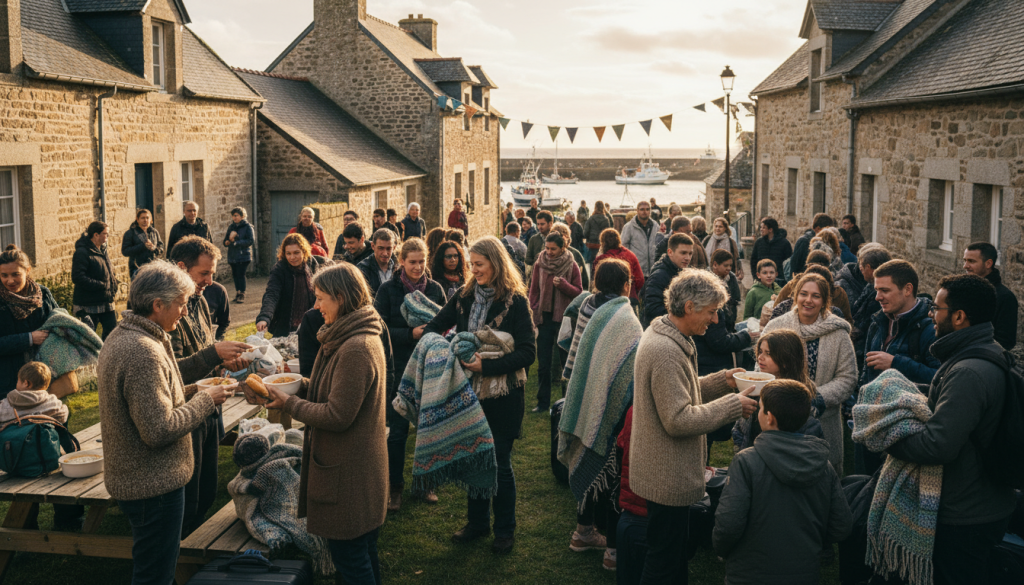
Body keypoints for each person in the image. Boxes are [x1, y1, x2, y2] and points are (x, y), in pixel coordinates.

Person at [97, 261, 233, 585]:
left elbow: (153, 401)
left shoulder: (129, 334)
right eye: (181, 304)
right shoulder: (141, 350)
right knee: (154, 576)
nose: (185, 312)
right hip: (152, 486)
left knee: (157, 570)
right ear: (157, 305)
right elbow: (158, 430)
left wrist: (194, 389)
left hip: (143, 482)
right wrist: (204, 401)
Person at [261, 263, 389, 584]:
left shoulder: (355, 347)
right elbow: (331, 390)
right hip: (355, 470)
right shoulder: (343, 335)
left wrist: (288, 402)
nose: (315, 306)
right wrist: (294, 386)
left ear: (341, 298)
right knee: (362, 553)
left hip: (349, 476)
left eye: (320, 299)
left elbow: (337, 415)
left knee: (351, 559)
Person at [887, 274, 1016, 585]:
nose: (931, 314)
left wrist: (889, 438)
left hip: (966, 513)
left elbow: (938, 445)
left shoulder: (969, 372)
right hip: (980, 503)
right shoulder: (983, 351)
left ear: (959, 317)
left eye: (936, 307)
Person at [630, 269, 758, 584]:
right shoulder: (666, 352)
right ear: (689, 308)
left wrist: (722, 381)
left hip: (662, 470)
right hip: (665, 475)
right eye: (711, 312)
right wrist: (733, 405)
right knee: (663, 561)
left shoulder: (666, 334)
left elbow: (678, 392)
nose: (715, 320)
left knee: (673, 557)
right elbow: (677, 419)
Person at [424, 237, 536, 555]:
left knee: (498, 462)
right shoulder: (464, 296)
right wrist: (427, 344)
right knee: (474, 458)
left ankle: (504, 530)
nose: (474, 270)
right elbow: (437, 324)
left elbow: (528, 352)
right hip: (468, 394)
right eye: (471, 264)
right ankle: (477, 524)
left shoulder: (515, 302)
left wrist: (485, 366)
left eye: (480, 264)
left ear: (496, 263)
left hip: (504, 397)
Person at [713, 379, 852, 585]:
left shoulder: (746, 461)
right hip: (804, 573)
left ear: (769, 418)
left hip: (749, 574)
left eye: (760, 408)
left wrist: (722, 549)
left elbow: (728, 524)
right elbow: (841, 525)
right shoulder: (824, 465)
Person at [167, 236, 251, 537]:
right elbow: (172, 370)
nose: (210, 280)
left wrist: (224, 363)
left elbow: (204, 352)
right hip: (183, 414)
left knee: (206, 489)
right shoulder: (166, 310)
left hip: (211, 409)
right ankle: (181, 554)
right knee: (187, 497)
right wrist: (213, 354)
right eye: (204, 273)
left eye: (212, 273)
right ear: (181, 267)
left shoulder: (201, 300)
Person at [373, 237, 446, 512]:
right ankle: (394, 487)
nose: (417, 267)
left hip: (430, 367)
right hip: (399, 369)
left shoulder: (436, 289)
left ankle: (427, 482)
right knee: (398, 432)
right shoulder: (388, 289)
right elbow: (378, 330)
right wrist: (410, 334)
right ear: (401, 261)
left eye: (421, 262)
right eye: (412, 262)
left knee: (429, 428)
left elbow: (447, 323)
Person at [762, 273, 857, 473]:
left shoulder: (838, 333)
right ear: (795, 296)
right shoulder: (777, 326)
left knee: (821, 480)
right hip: (780, 418)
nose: (808, 300)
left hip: (824, 420)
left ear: (824, 301)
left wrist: (816, 398)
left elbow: (847, 377)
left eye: (816, 296)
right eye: (803, 294)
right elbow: (760, 367)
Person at [856, 259, 941, 475]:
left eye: (884, 290)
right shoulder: (878, 321)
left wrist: (895, 362)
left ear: (908, 289)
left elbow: (940, 379)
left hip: (905, 432)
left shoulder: (930, 328)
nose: (877, 297)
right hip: (872, 422)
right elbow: (866, 370)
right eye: (876, 290)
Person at [529, 232, 582, 412]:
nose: (549, 252)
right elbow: (533, 289)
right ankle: (542, 403)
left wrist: (564, 285)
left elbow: (578, 292)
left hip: (564, 320)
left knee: (565, 362)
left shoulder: (572, 264)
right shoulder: (540, 263)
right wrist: (534, 309)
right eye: (547, 248)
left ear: (563, 248)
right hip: (544, 319)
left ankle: (568, 403)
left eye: (553, 249)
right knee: (543, 364)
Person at [256, 234, 321, 338]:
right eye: (288, 253)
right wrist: (264, 317)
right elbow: (272, 294)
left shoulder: (313, 265)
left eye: (296, 253)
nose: (292, 257)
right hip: (285, 324)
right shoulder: (279, 269)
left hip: (310, 324)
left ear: (304, 252)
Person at [963, 242, 1018, 350]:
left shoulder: (1005, 297)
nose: (965, 266)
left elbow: (1005, 341)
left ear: (988, 264)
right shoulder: (964, 290)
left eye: (971, 261)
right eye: (965, 260)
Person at [72, 221, 119, 340]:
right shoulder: (82, 252)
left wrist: (113, 284)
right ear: (96, 235)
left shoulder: (102, 250)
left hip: (106, 302)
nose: (107, 237)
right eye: (105, 234)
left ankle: (106, 357)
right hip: (89, 304)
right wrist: (101, 285)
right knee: (89, 337)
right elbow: (78, 277)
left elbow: (107, 271)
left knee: (112, 334)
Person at [847, 244, 891, 363]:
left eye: (862, 269)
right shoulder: (870, 286)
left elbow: (864, 320)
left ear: (869, 267)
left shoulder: (875, 294)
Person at [643, 233, 694, 325]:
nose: (688, 258)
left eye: (690, 253)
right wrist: (684, 314)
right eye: (683, 253)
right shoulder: (659, 276)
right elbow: (653, 309)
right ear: (670, 252)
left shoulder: (685, 272)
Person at [0, 362, 68, 423]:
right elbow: (63, 416)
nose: (17, 383)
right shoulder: (53, 403)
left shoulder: (5, 406)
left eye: (18, 381)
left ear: (26, 383)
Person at [595, 228, 644, 305]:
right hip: (630, 298)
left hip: (605, 300)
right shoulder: (630, 255)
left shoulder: (601, 259)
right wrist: (633, 291)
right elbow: (640, 279)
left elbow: (595, 282)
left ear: (603, 243)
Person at [621, 201, 663, 278]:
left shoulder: (655, 226)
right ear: (637, 211)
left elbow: (659, 244)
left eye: (647, 209)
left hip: (653, 270)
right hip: (637, 270)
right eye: (642, 209)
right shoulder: (629, 227)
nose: (645, 212)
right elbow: (624, 247)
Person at [122, 209, 165, 280]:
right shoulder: (130, 233)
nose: (145, 220)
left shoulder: (154, 232)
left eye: (147, 218)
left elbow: (161, 246)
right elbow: (125, 251)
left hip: (153, 268)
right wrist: (142, 246)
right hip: (137, 268)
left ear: (151, 220)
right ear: (137, 219)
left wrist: (155, 249)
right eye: (142, 218)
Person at [748, 217, 792, 286]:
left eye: (764, 227)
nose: (761, 230)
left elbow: (788, 263)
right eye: (761, 227)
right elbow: (753, 261)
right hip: (761, 280)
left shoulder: (784, 243)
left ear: (770, 229)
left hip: (779, 281)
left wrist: (784, 278)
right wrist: (756, 277)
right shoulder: (759, 242)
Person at [223, 207, 254, 304]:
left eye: (236, 215)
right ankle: (237, 292)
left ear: (242, 216)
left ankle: (242, 293)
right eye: (233, 215)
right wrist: (227, 242)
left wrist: (236, 242)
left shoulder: (247, 227)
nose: (234, 217)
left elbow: (250, 241)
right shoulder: (231, 227)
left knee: (241, 274)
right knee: (235, 275)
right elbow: (225, 240)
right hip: (233, 255)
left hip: (243, 255)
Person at [357, 229, 399, 297]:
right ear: (373, 246)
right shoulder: (362, 269)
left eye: (388, 249)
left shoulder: (400, 268)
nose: (385, 253)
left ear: (394, 248)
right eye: (381, 248)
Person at [790, 213, 833, 277]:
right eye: (827, 229)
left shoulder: (826, 242)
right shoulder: (804, 241)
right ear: (818, 229)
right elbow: (795, 265)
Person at [710, 249, 742, 325]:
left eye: (730, 265)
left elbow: (735, 299)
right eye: (725, 265)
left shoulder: (731, 277)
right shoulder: (707, 280)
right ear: (715, 265)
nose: (729, 268)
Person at [583, 201, 612, 266]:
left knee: (592, 265)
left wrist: (589, 238)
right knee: (602, 265)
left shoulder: (591, 219)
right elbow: (608, 234)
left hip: (592, 245)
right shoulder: (606, 219)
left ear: (595, 207)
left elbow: (585, 233)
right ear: (603, 208)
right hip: (602, 246)